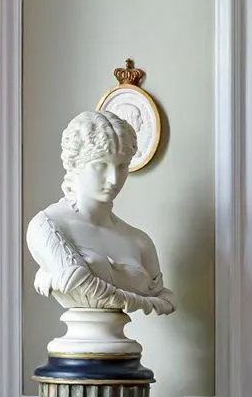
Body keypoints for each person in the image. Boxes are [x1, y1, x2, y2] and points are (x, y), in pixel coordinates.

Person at [26, 109, 173, 317]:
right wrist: (145, 302)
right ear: (75, 164)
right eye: (100, 166)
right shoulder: (48, 226)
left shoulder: (140, 241)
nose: (113, 179)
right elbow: (82, 286)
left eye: (122, 166)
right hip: (78, 342)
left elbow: (165, 297)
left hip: (122, 345)